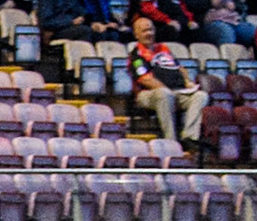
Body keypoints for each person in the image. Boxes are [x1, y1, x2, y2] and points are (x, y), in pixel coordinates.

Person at [129, 16, 205, 146]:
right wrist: (169, 90)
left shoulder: (163, 49)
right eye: (145, 31)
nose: (149, 34)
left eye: (151, 30)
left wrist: (187, 82)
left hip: (174, 91)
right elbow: (145, 79)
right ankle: (171, 141)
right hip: (148, 94)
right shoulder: (136, 55)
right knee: (164, 94)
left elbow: (179, 68)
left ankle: (190, 137)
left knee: (200, 96)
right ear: (136, 34)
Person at [39, 0, 120, 42]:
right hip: (57, 31)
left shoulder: (73, 1)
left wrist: (95, 24)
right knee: (85, 31)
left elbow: (84, 14)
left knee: (107, 33)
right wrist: (71, 22)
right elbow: (46, 22)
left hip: (75, 27)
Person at [132, 0, 200, 41]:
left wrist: (188, 23)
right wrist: (168, 21)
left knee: (194, 30)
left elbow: (179, 13)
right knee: (170, 30)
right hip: (147, 28)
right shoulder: (141, 3)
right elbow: (148, 11)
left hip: (164, 27)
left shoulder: (165, 2)